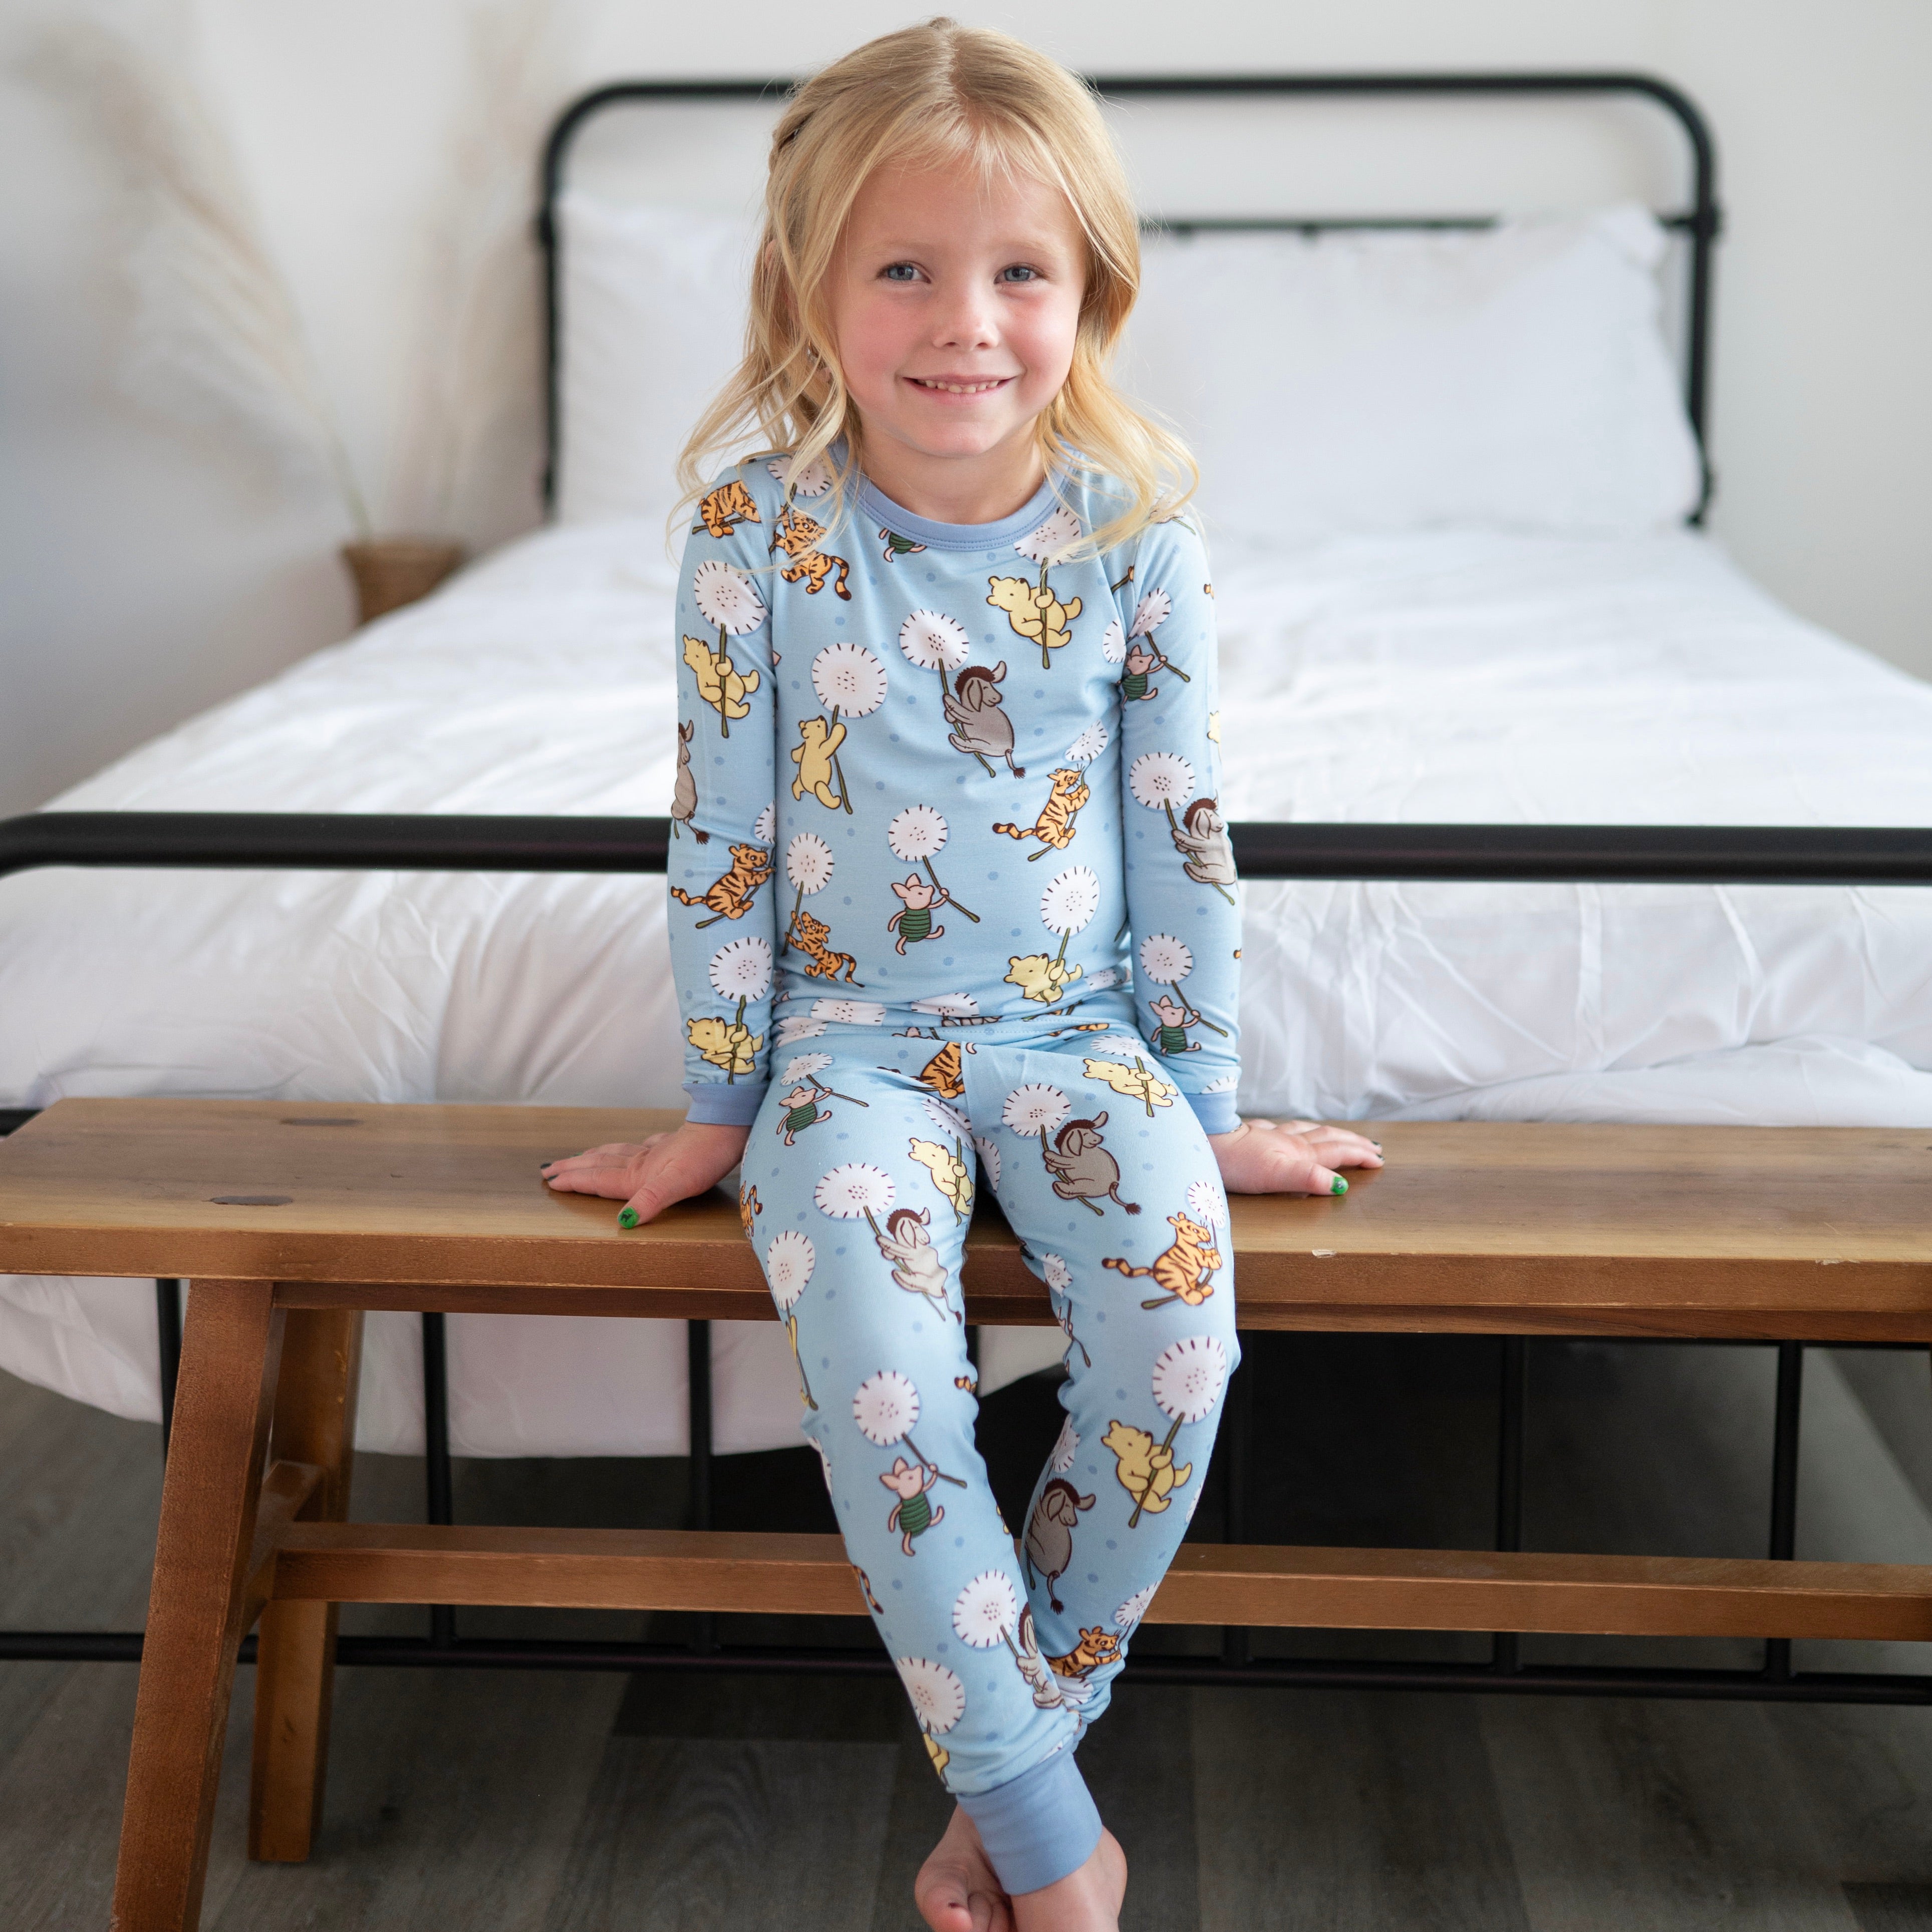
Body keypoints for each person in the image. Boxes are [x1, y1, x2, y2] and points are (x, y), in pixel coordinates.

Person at [541, 21, 1382, 1929]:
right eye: (903, 267)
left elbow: (1180, 832)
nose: (965, 321)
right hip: (846, 1055)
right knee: (891, 1384)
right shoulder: (757, 532)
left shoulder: (1133, 537)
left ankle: (1009, 1795)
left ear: (1087, 293)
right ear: (809, 288)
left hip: (1082, 1040)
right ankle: (1048, 1836)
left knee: (1180, 1344)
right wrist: (716, 1103)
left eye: (1020, 271)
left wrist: (1211, 1101)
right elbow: (724, 836)